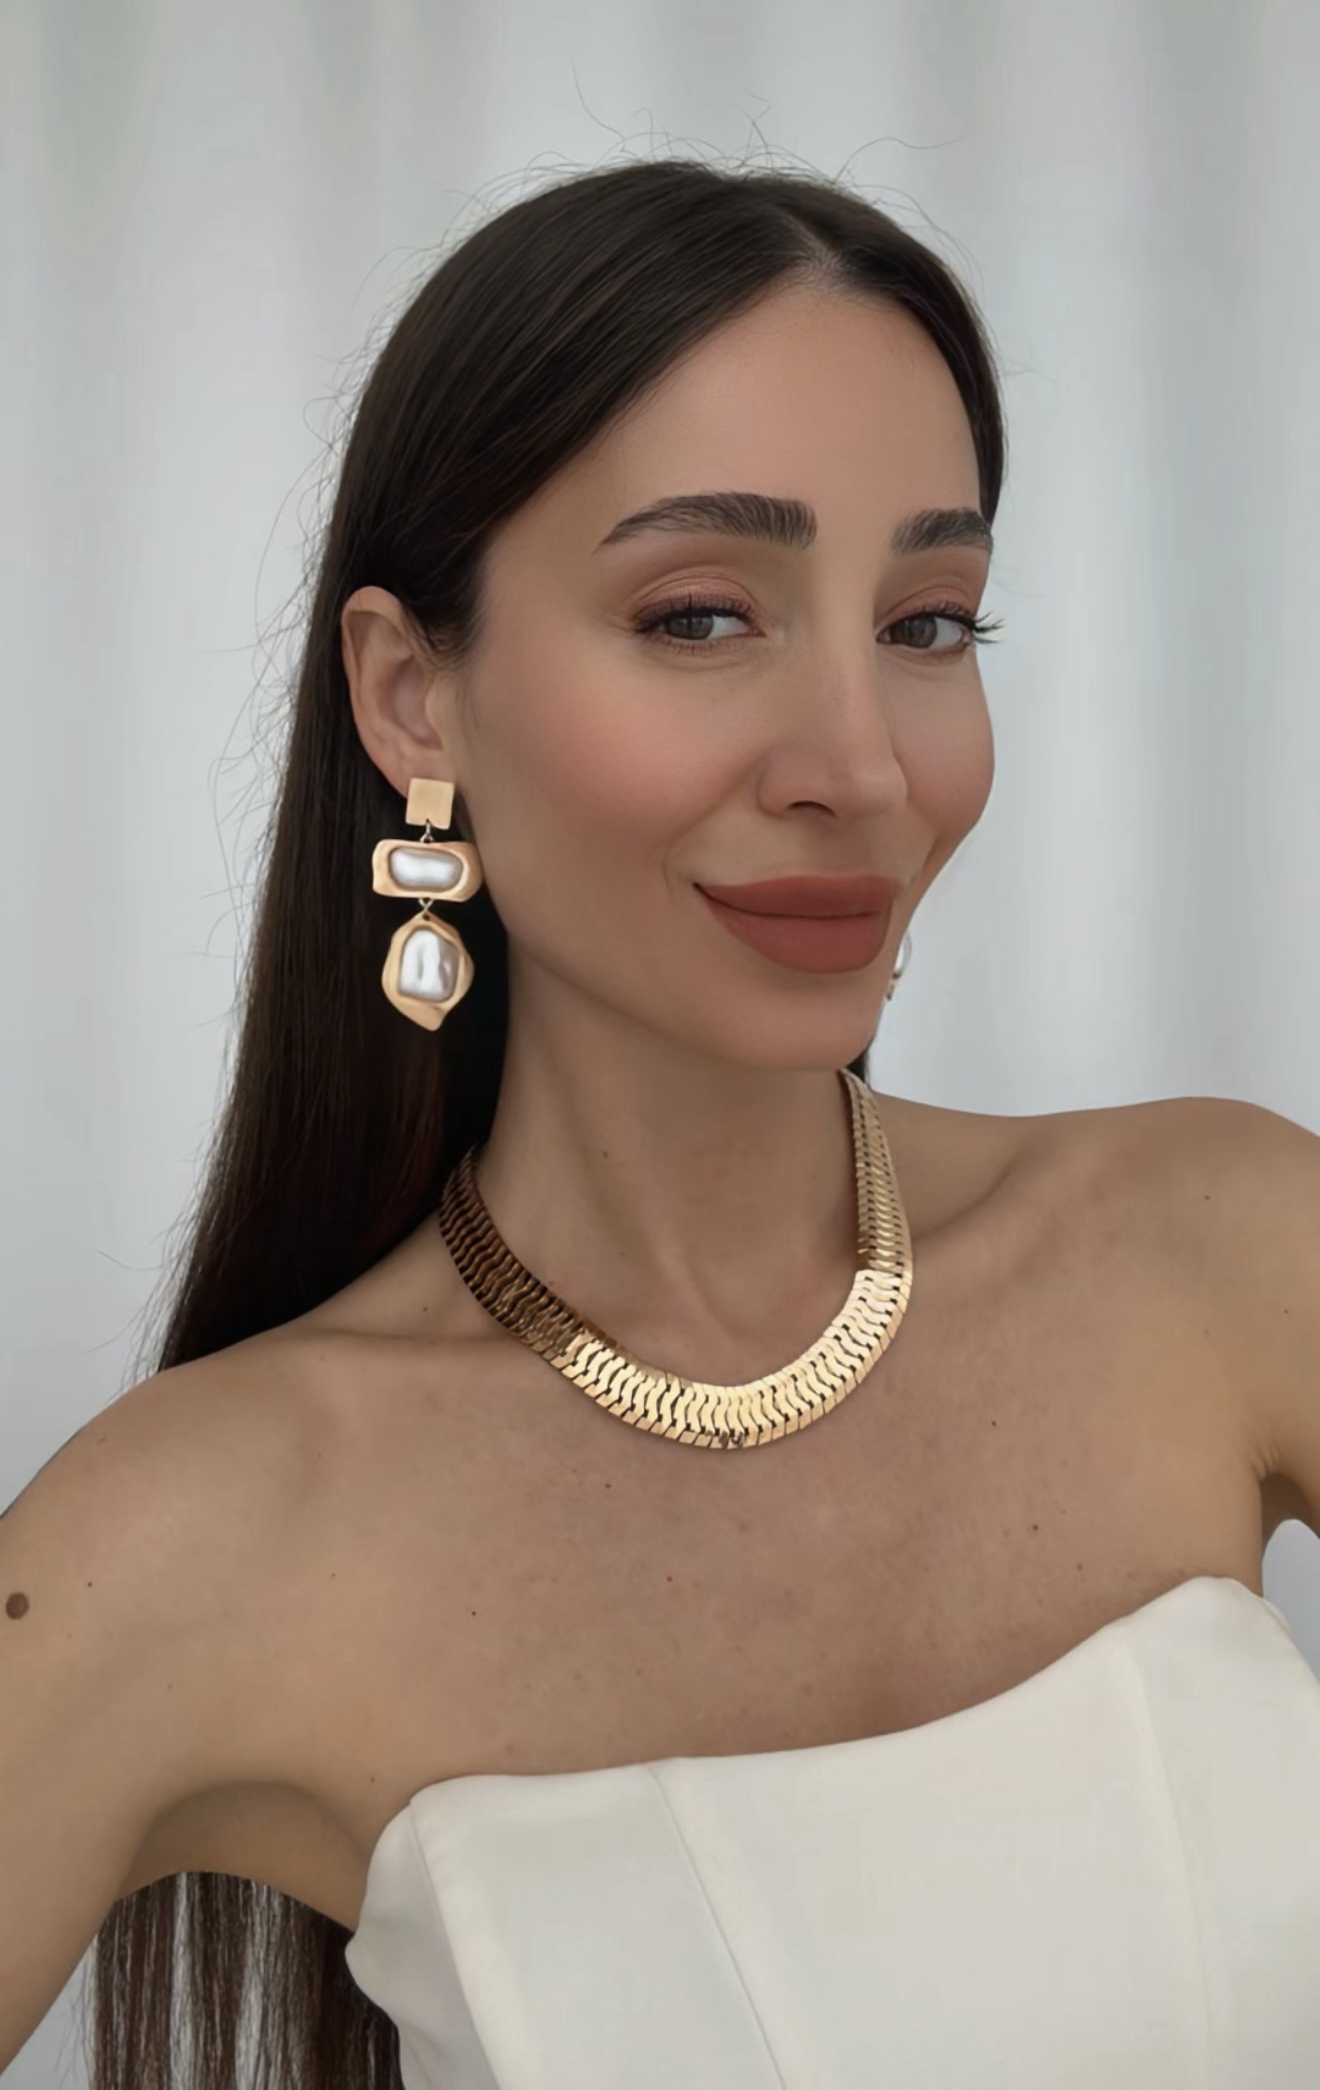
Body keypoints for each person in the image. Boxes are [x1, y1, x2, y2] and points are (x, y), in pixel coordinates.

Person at [3, 156, 1319, 2090]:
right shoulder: (204, 1535)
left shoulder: (1229, 1246)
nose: (861, 766)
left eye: (930, 623)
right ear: (411, 698)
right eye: (702, 617)